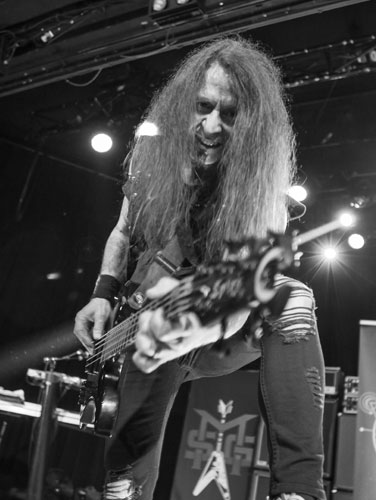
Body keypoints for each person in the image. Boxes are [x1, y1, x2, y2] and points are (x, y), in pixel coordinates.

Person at [73, 37, 326, 500]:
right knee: (124, 485)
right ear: (183, 104)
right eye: (203, 107)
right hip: (142, 330)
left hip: (214, 331)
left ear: (250, 123)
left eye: (229, 114)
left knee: (291, 298)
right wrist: (102, 294)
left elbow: (243, 299)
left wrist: (188, 329)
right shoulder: (152, 164)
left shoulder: (261, 192)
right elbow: (122, 233)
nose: (211, 126)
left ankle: (298, 489)